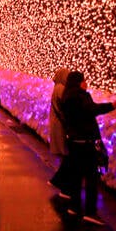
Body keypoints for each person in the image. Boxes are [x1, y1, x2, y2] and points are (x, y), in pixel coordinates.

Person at [59, 71, 116, 226]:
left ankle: (75, 207)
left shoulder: (67, 95)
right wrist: (113, 105)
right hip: (85, 142)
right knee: (91, 177)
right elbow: (92, 109)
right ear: (79, 82)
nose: (86, 83)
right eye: (84, 80)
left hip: (74, 141)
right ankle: (90, 212)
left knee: (76, 176)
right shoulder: (80, 96)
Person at [48, 67, 74, 198]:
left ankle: (58, 180)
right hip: (60, 126)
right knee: (67, 154)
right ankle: (61, 183)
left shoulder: (57, 87)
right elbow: (66, 106)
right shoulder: (61, 89)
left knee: (66, 156)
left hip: (56, 124)